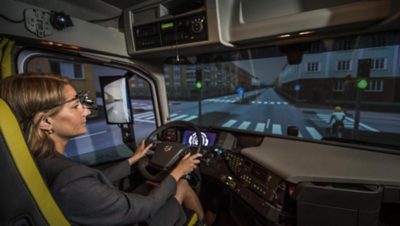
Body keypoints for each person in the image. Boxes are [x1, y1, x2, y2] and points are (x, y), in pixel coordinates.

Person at [0, 74, 204, 226]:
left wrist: (133, 160)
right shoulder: (71, 178)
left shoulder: (37, 160)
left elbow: (94, 179)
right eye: (76, 106)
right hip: (134, 218)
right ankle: (202, 221)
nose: (87, 111)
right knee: (183, 184)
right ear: (45, 121)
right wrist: (179, 171)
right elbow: (145, 208)